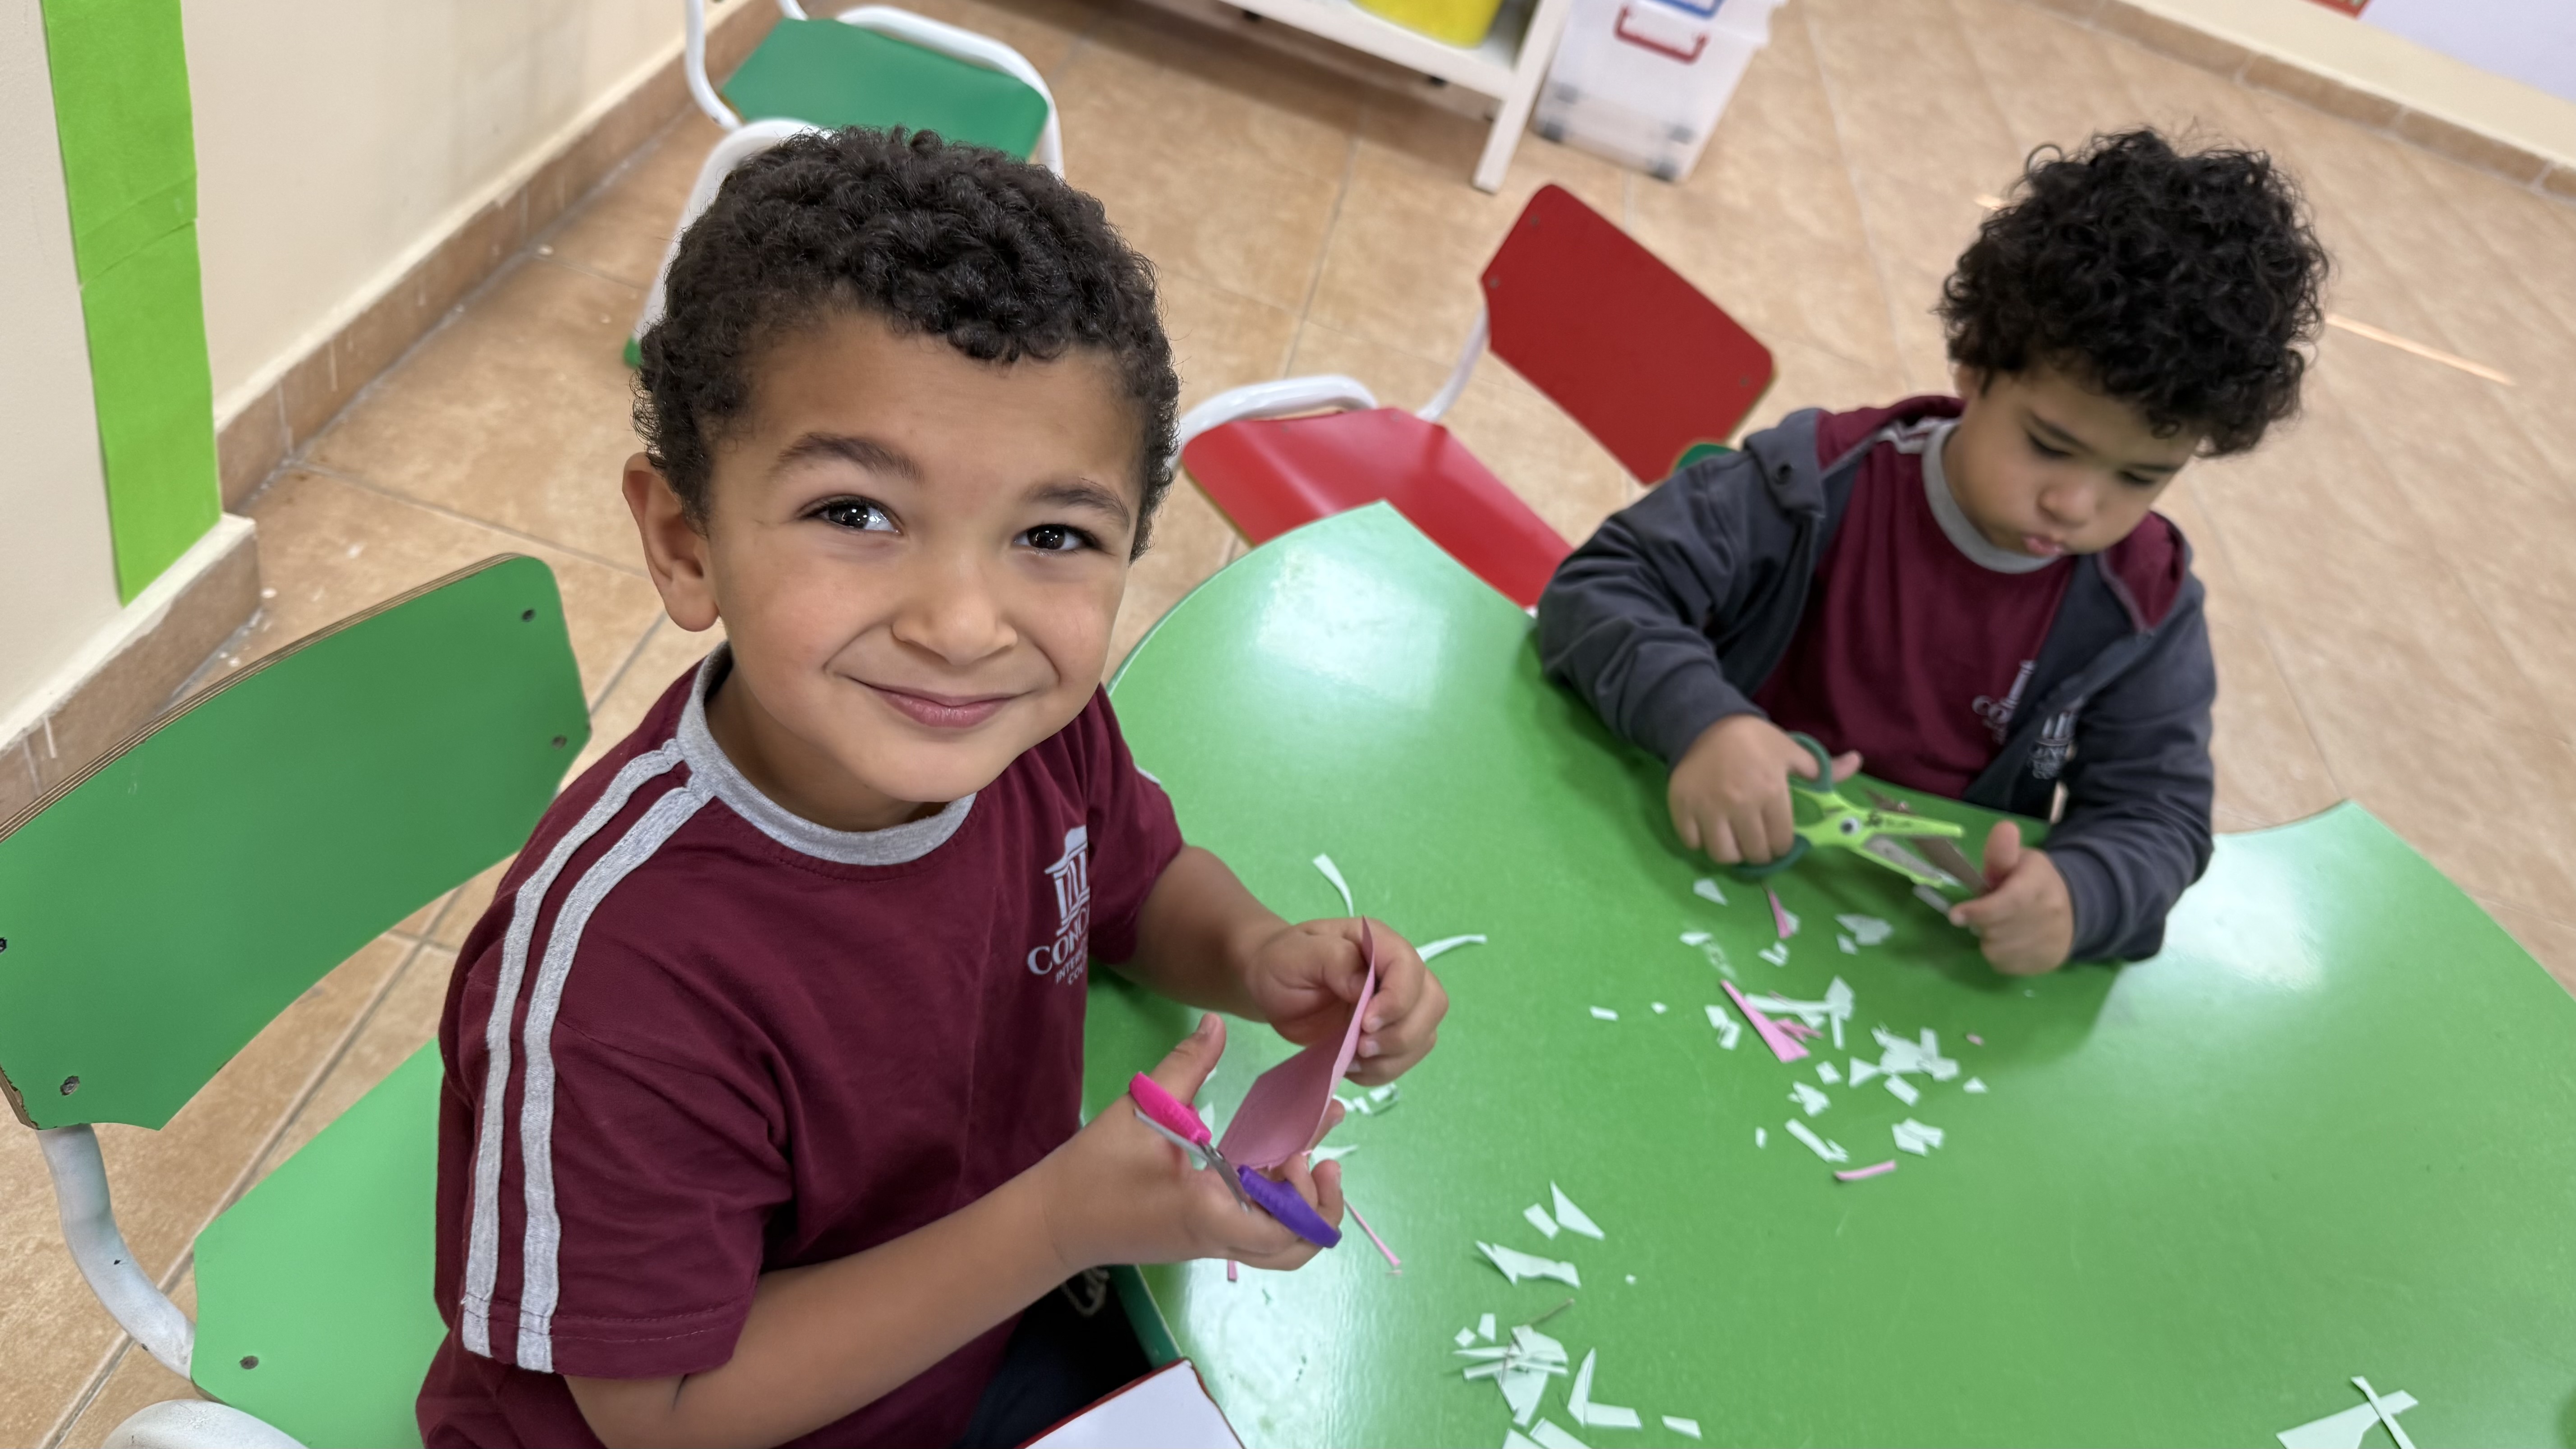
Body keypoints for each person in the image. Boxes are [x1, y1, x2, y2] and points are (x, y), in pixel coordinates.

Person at [417, 128, 1449, 1449]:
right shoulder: (621, 978)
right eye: (855, 512)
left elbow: (1137, 881)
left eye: (1053, 534)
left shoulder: (1033, 733)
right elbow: (658, 1414)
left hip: (971, 1335)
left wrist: (1258, 955)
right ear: (686, 540)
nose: (965, 626)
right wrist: (1060, 1224)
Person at [1537, 129, 2328, 974]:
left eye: (2140, 477)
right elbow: (1600, 588)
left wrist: (2084, 893)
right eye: (2049, 445)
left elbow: (2159, 814)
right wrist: (1702, 719)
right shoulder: (1815, 483)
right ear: (1975, 366)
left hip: (1913, 955)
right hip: (1692, 865)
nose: (2076, 504)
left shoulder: (2144, 604)